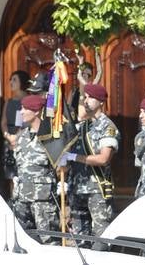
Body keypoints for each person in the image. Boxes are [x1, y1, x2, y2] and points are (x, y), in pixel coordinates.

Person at [68, 84, 120, 236]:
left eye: (91, 97)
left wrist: (75, 157)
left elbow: (104, 158)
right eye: (85, 97)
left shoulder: (107, 127)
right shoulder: (82, 127)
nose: (86, 100)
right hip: (78, 189)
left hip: (97, 190)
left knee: (102, 238)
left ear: (101, 102)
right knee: (80, 239)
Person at [11, 94, 58, 240]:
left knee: (50, 244)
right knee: (25, 243)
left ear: (36, 111)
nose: (22, 112)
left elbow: (62, 168)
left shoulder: (50, 137)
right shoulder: (22, 136)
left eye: (26, 108)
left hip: (43, 202)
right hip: (22, 201)